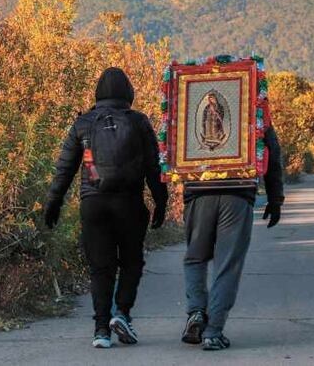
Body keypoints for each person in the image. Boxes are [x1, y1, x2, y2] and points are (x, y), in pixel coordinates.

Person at [43, 67, 169, 349]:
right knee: (131, 262)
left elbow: (65, 167)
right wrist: (161, 202)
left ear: (98, 92)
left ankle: (101, 329)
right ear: (128, 92)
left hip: (94, 203)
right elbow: (153, 166)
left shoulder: (84, 123)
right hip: (129, 203)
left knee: (101, 268)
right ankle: (122, 313)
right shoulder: (138, 122)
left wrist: (54, 202)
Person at [181, 124, 285, 351]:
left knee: (194, 258)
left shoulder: (189, 101)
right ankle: (213, 332)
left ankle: (197, 310)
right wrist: (275, 199)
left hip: (197, 191)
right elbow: (272, 154)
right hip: (237, 192)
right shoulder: (251, 103)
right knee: (227, 265)